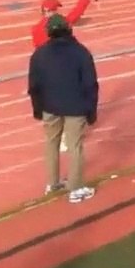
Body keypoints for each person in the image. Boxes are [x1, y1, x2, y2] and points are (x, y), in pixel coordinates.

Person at [28, 15, 99, 203]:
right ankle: (75, 189)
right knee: (75, 146)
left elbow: (34, 85)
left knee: (51, 143)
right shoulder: (81, 52)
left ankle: (52, 183)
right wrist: (92, 112)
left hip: (49, 106)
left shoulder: (39, 54)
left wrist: (37, 109)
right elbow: (90, 84)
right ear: (69, 29)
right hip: (75, 107)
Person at [31, 0, 96, 49]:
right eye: (56, 9)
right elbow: (77, 11)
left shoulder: (35, 29)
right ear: (53, 11)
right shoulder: (61, 23)